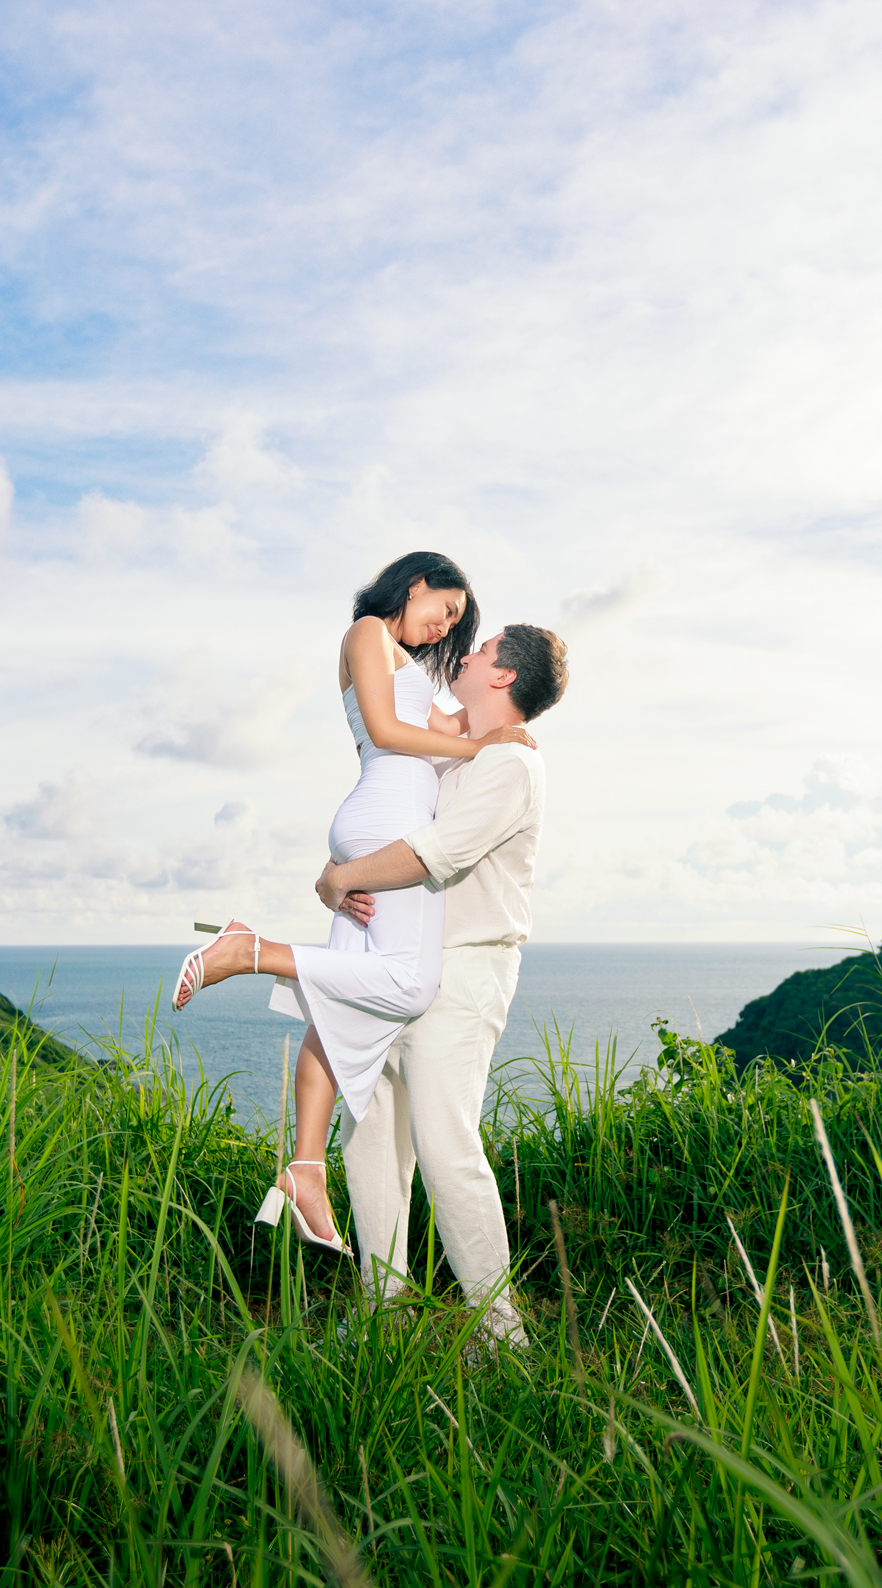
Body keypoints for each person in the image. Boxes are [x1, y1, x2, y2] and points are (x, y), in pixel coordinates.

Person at [169, 553, 535, 1256]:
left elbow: (453, 731)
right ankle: (250, 950)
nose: (446, 627)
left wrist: (492, 731)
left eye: (459, 625)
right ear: (418, 581)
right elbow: (393, 735)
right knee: (412, 982)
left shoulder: (403, 660)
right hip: (387, 817)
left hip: (378, 820)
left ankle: (305, 1171)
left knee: (343, 1005)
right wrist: (480, 742)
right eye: (447, 609)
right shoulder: (368, 630)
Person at [313, 622, 568, 1344]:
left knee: (445, 1145)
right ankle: (380, 1311)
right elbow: (383, 749)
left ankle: (501, 1332)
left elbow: (437, 853)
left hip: (465, 969)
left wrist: (340, 879)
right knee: (369, 1139)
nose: (466, 654)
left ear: (503, 678)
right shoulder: (458, 755)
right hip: (395, 962)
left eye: (483, 651)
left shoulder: (512, 766)